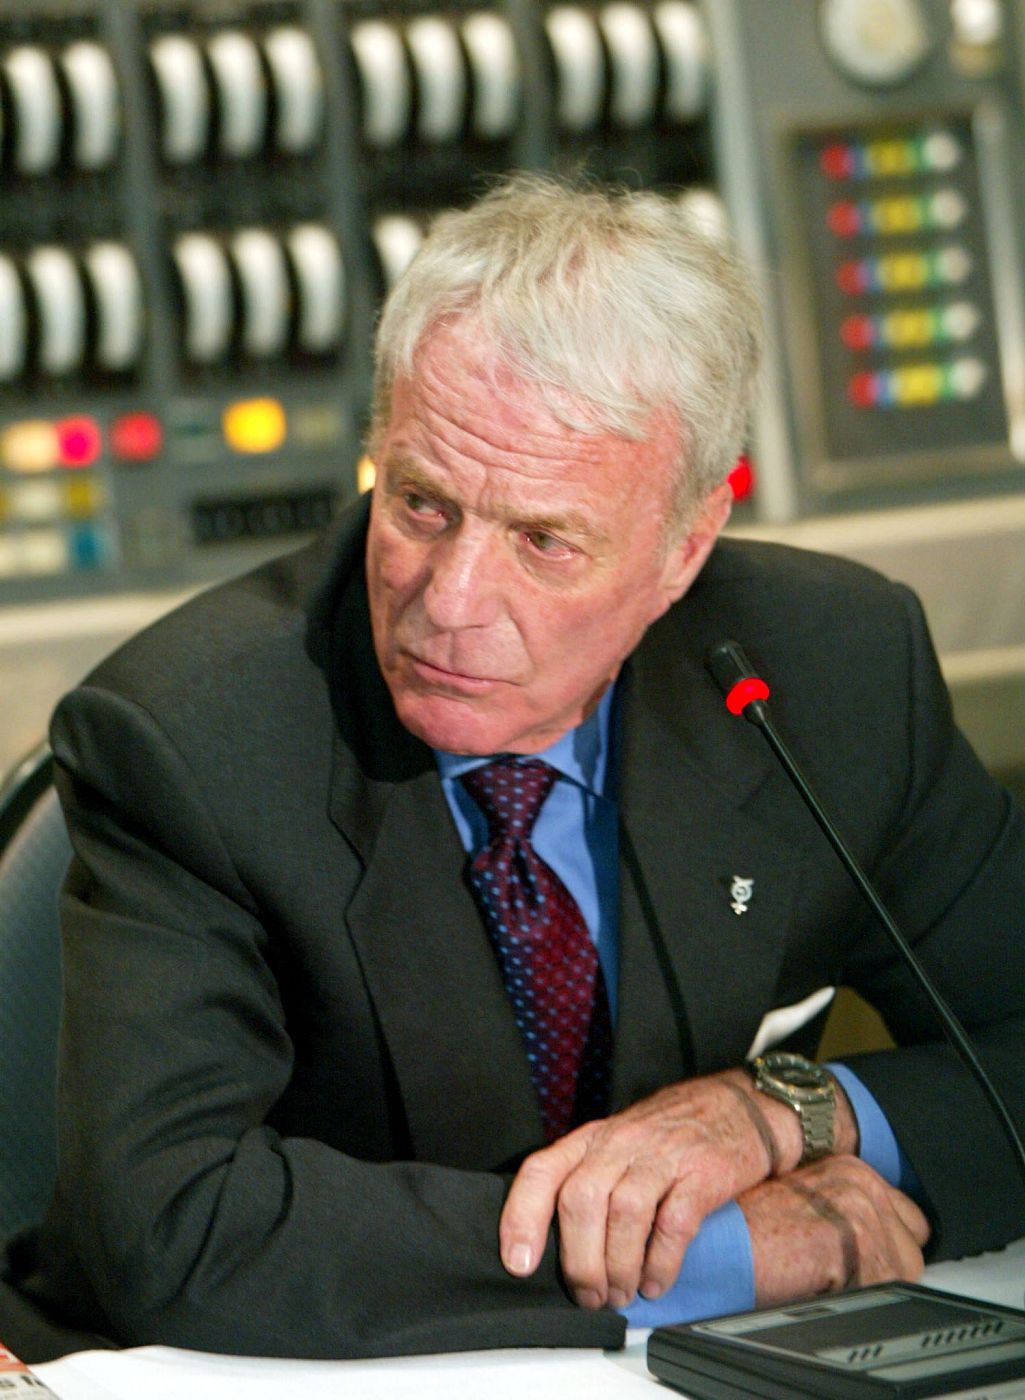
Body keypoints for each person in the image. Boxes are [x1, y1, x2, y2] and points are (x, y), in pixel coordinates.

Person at [4, 175, 1024, 1363]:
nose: (449, 601)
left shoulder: (832, 666)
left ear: (685, 545)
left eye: (543, 540)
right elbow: (172, 1226)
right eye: (421, 505)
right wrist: (715, 1252)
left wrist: (790, 1111)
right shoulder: (187, 735)